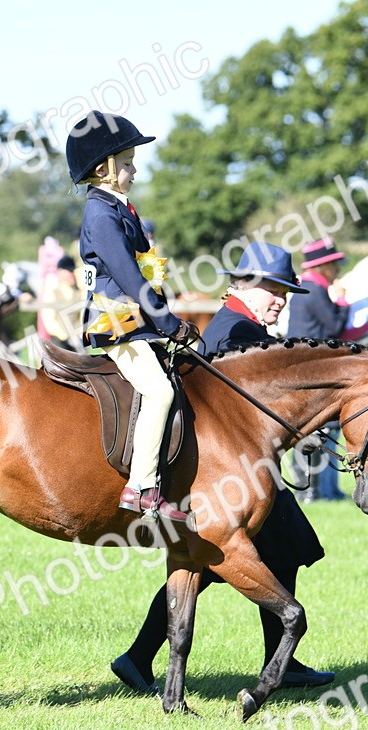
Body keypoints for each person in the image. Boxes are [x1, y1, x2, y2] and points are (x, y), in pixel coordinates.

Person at [111, 242, 335, 695]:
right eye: (275, 290)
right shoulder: (237, 332)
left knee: (265, 553)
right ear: (246, 286)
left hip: (244, 470)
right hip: (230, 475)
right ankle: (139, 657)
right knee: (215, 561)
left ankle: (139, 657)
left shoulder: (243, 325)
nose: (281, 300)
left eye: (285, 293)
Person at [65, 109, 197, 522]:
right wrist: (169, 323)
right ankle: (140, 487)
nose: (134, 171)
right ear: (102, 169)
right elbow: (128, 276)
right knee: (159, 392)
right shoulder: (101, 215)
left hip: (137, 323)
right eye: (127, 163)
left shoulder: (120, 208)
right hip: (117, 324)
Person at [285, 238, 349, 502]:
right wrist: (343, 302)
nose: (338, 269)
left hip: (306, 368)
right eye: (334, 264)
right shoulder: (315, 290)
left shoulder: (309, 287)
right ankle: (311, 491)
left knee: (319, 430)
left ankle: (321, 490)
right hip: (312, 371)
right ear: (324, 266)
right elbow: (334, 327)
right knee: (314, 431)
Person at [39, 255, 82, 350]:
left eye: (73, 271)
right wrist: (66, 336)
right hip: (59, 343)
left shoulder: (78, 293)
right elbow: (49, 320)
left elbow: (81, 317)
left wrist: (78, 334)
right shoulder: (52, 293)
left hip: (77, 340)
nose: (72, 274)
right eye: (69, 271)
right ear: (60, 272)